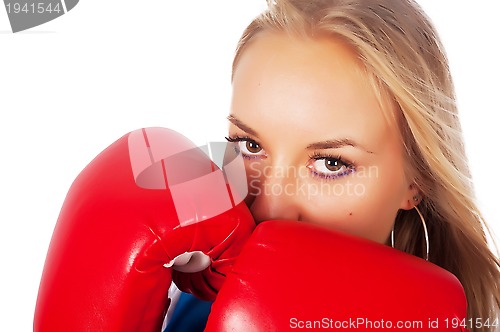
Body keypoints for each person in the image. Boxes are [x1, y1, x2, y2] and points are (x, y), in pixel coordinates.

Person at [164, 0, 500, 331]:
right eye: (250, 146)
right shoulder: (189, 298)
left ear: (417, 181)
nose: (269, 210)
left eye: (331, 163)